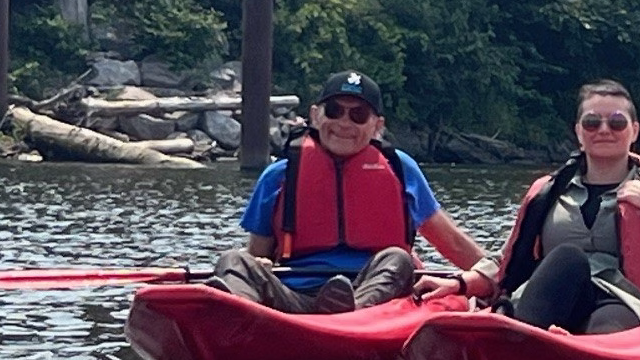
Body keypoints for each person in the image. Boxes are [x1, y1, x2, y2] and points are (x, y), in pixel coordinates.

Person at [211, 71, 495, 314]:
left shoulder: (399, 169)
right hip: (294, 297)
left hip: (373, 296)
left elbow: (452, 244)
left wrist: (499, 279)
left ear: (376, 126)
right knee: (234, 260)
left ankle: (350, 310)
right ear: (315, 115)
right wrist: (257, 265)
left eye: (358, 115)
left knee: (398, 258)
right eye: (334, 111)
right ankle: (234, 312)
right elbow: (260, 255)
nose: (344, 123)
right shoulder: (278, 176)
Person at [489, 81, 640, 334]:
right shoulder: (548, 193)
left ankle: (577, 350)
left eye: (617, 122)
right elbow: (506, 258)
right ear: (578, 132)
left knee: (606, 326)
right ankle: (520, 341)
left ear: (634, 131)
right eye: (592, 122)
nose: (604, 130)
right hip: (549, 297)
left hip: (623, 300)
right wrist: (464, 282)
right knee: (568, 257)